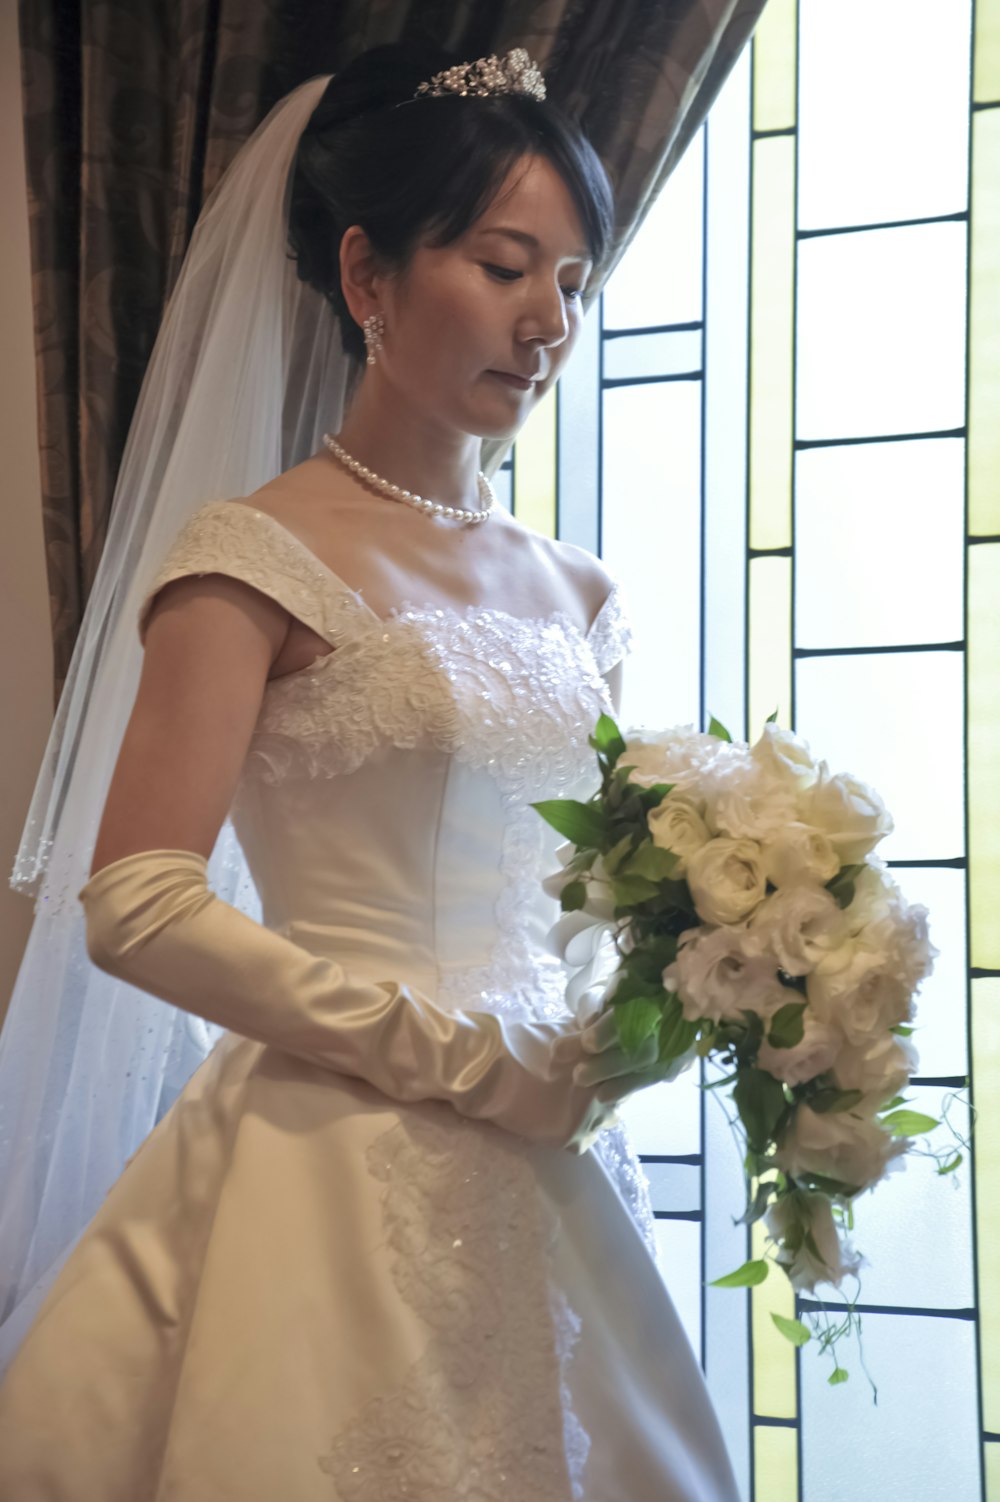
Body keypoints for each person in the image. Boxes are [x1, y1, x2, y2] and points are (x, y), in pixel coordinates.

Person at [0, 41, 741, 1500]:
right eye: (504, 262)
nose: (548, 320)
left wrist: (649, 1010)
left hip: (553, 1151)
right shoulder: (254, 552)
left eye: (575, 281)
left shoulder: (581, 590)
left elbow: (584, 887)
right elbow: (138, 896)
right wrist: (457, 1057)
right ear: (368, 276)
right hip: (330, 1148)